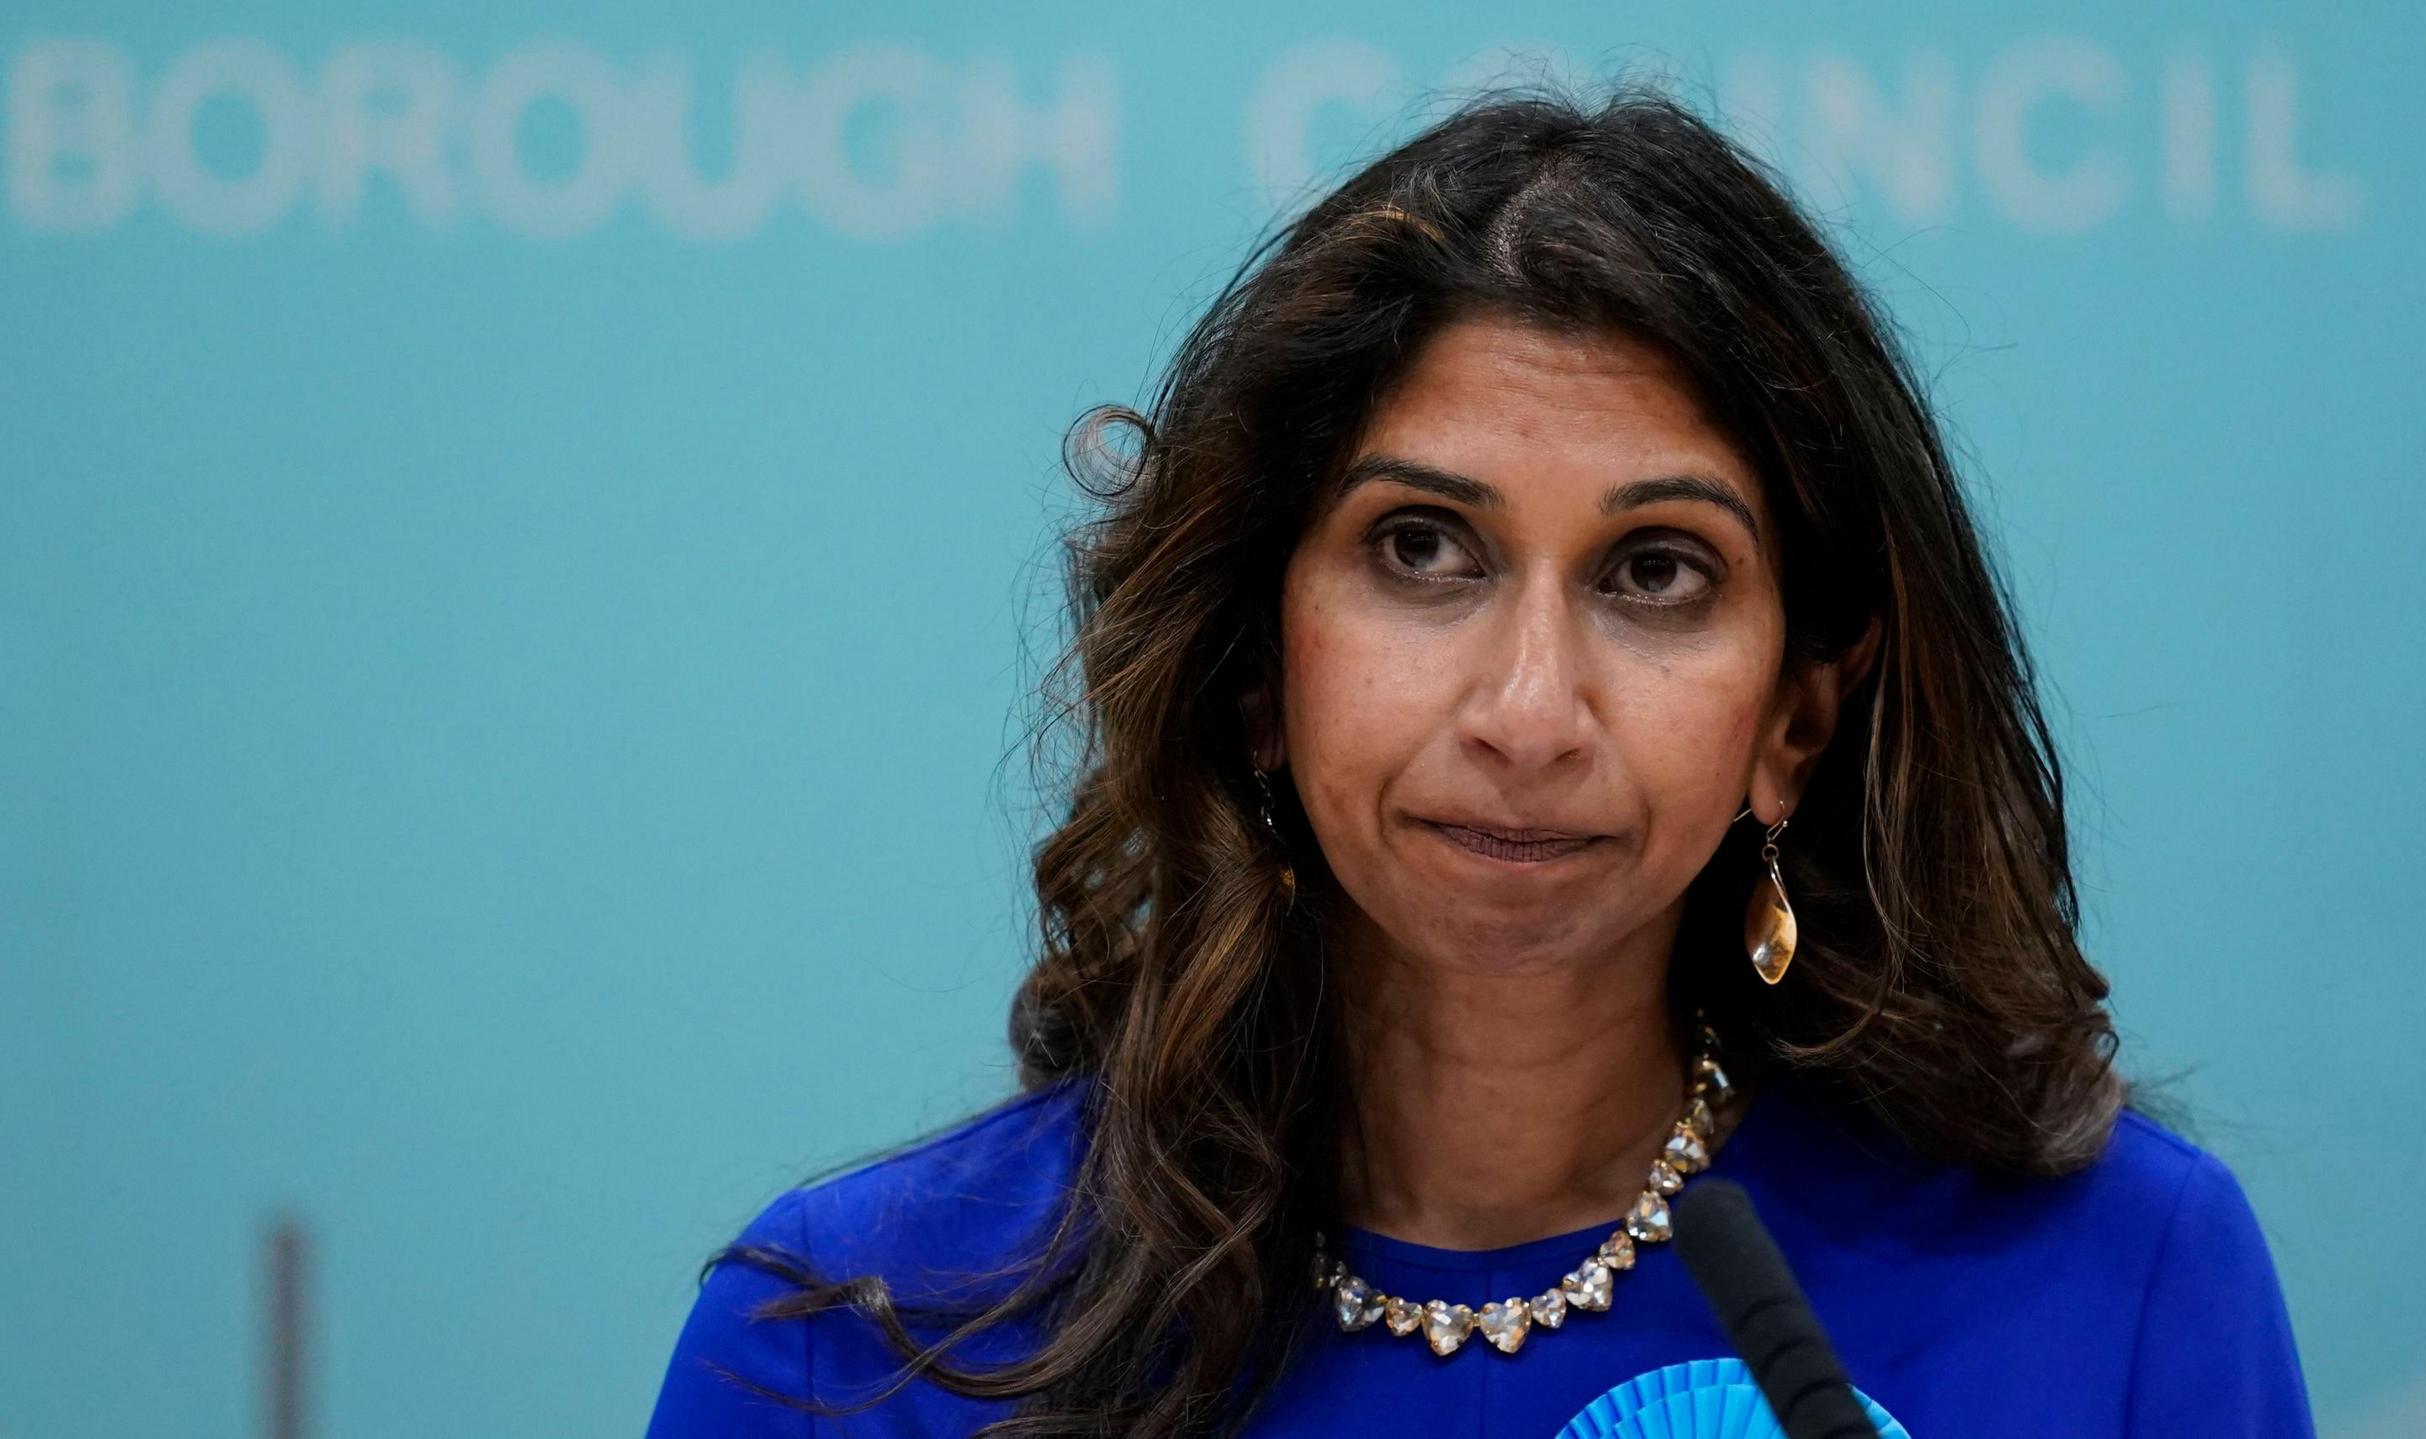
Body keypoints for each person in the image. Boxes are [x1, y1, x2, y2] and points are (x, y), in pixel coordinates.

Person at [644, 82, 2318, 1439]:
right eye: (1423, 550)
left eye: (1656, 572)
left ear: (1798, 718)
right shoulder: (855, 1352)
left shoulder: (2119, 1288)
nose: (1529, 710)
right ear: (1253, 666)